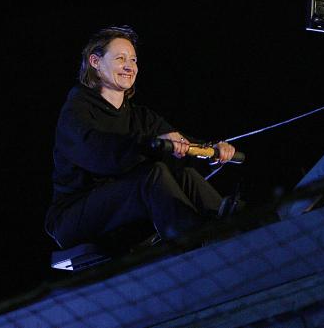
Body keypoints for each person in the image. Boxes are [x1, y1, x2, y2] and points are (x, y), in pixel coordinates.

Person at [44, 26, 237, 250]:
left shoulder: (140, 116)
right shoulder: (76, 111)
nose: (130, 66)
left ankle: (235, 226)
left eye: (134, 60)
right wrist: (152, 145)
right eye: (120, 58)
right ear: (95, 62)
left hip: (125, 201)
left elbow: (180, 143)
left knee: (182, 172)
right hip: (73, 215)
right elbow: (100, 154)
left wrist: (212, 149)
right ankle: (192, 243)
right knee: (152, 173)